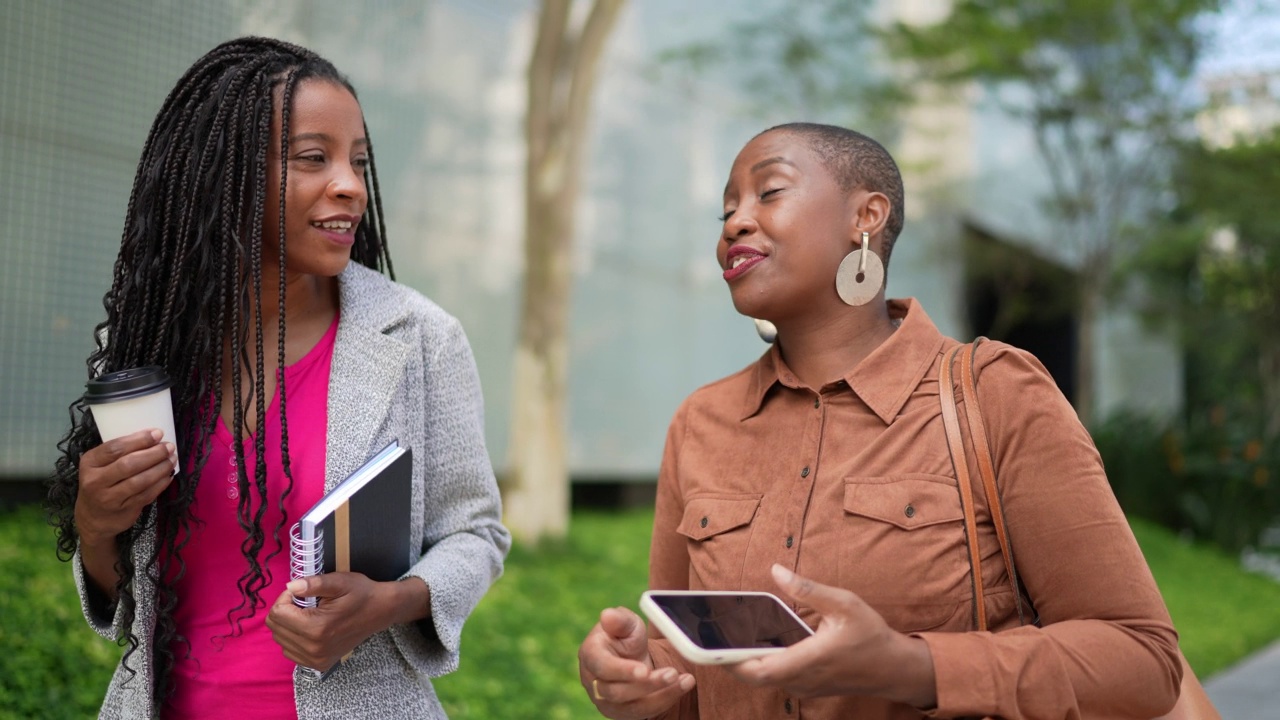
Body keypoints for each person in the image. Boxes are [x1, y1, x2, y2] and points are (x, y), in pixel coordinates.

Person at [576, 123, 1183, 718]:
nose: (735, 221)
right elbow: (693, 676)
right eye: (726, 210)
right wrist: (640, 683)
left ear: (865, 216)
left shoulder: (997, 392)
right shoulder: (700, 421)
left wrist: (908, 665)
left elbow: (1142, 658)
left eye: (769, 192)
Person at [47, 37, 510, 720]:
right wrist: (94, 527)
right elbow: (127, 609)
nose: (350, 184)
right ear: (221, 174)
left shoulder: (419, 338)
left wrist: (389, 602)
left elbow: (477, 535)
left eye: (358, 161)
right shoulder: (152, 343)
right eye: (312, 158)